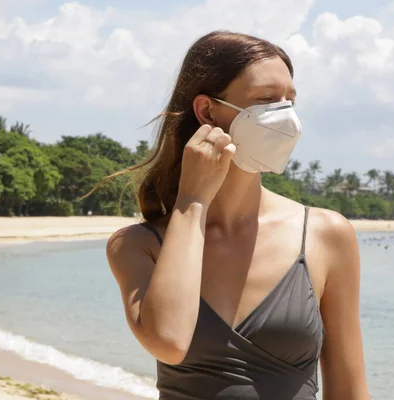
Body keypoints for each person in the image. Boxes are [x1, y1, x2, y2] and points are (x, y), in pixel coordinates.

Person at [105, 30, 370, 400]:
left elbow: (349, 391)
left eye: (290, 100)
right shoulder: (138, 245)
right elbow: (168, 340)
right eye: (266, 99)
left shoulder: (326, 234)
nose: (286, 117)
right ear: (207, 110)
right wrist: (193, 201)